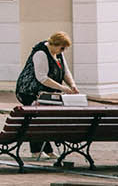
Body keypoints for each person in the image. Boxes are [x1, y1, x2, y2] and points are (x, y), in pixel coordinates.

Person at [14, 31, 79, 159]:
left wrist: (72, 85)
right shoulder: (41, 53)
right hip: (29, 91)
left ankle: (45, 150)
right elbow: (42, 78)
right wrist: (63, 88)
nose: (63, 51)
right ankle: (38, 151)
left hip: (45, 92)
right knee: (36, 118)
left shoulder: (58, 53)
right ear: (55, 44)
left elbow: (65, 71)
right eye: (62, 48)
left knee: (44, 119)